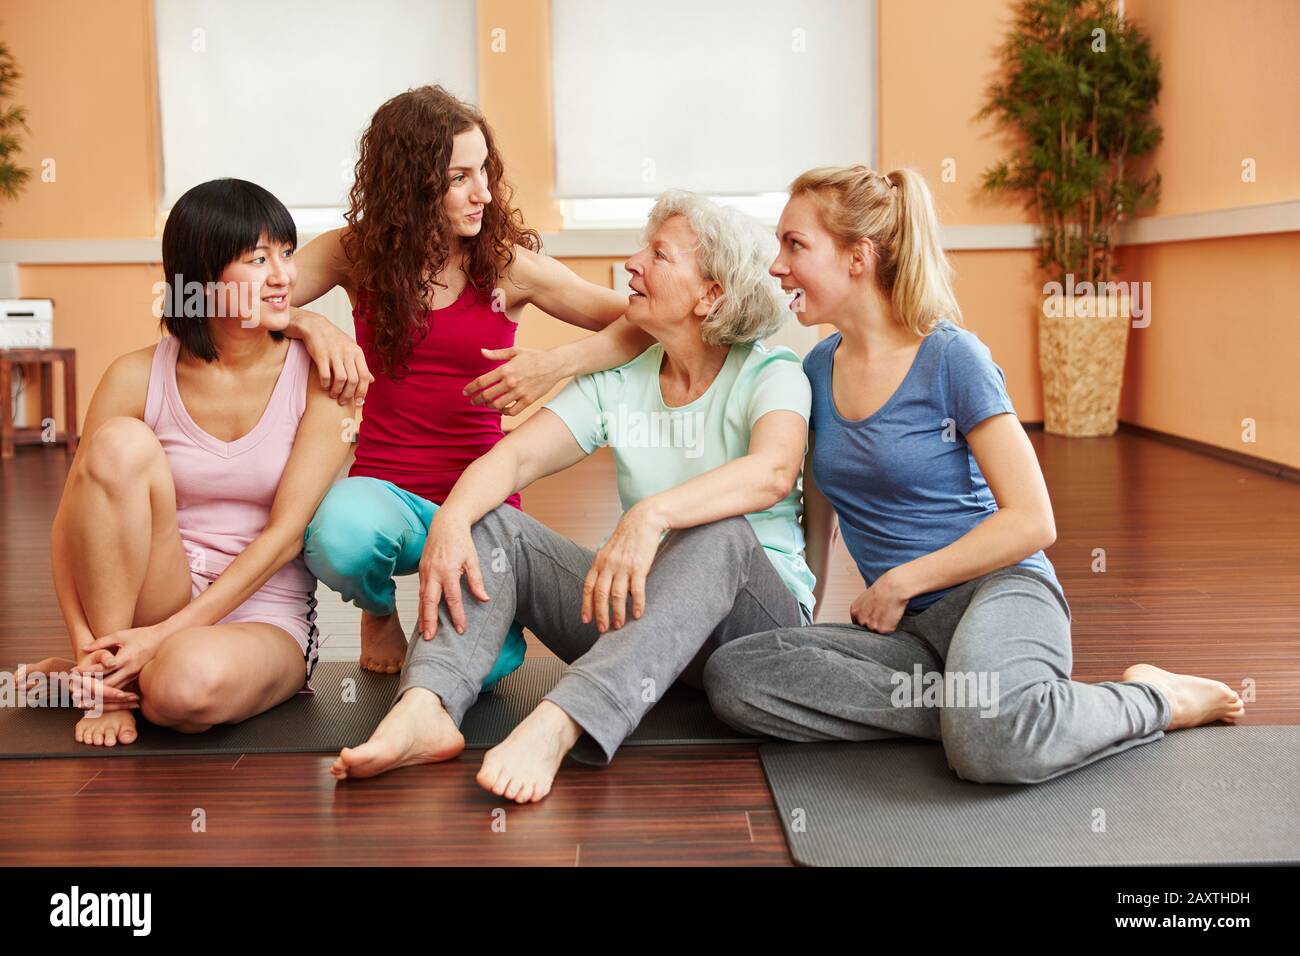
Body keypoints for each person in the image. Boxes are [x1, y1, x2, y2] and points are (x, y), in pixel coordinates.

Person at [701, 165, 1246, 784]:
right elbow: (820, 524)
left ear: (859, 256)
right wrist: (810, 630)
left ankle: (1154, 699)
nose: (777, 265)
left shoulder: (952, 357)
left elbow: (1033, 521)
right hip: (908, 636)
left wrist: (903, 580)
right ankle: (992, 706)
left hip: (1000, 591)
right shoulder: (816, 370)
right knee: (736, 677)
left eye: (795, 245)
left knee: (991, 751)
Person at [332, 191, 815, 804]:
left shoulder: (771, 372)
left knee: (717, 533)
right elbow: (514, 458)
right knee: (492, 522)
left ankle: (560, 723)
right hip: (646, 619)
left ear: (711, 294)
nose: (632, 262)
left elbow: (772, 472)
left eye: (658, 254)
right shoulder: (622, 378)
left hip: (749, 632)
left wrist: (651, 515)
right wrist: (452, 518)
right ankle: (427, 704)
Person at [280, 85, 655, 685]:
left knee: (478, 670)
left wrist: (557, 364)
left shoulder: (505, 265)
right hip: (385, 495)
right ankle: (379, 609)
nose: (483, 191)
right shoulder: (358, 255)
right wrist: (309, 323)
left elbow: (647, 322)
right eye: (460, 176)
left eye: (484, 169)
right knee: (338, 540)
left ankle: (489, 617)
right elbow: (247, 302)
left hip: (483, 505)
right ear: (410, 184)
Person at [36, 178, 355, 747]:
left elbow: (286, 537)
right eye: (258, 259)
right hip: (157, 593)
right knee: (119, 444)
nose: (284, 276)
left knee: (182, 685)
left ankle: (115, 671)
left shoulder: (323, 379)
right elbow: (71, 526)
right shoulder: (135, 374)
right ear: (201, 278)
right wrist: (91, 642)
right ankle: (107, 678)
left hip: (263, 612)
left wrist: (161, 640)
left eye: (285, 253)